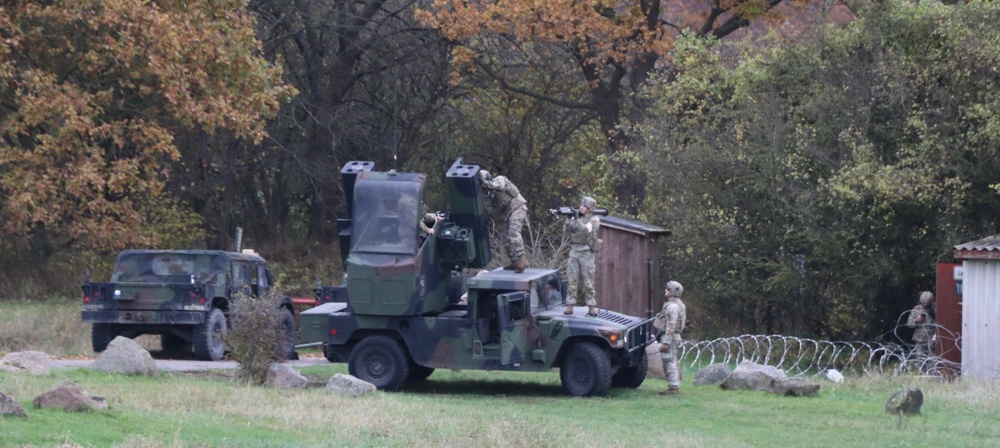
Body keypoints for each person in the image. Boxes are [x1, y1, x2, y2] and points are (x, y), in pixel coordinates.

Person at [479, 170, 529, 273]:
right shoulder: (490, 194)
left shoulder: (500, 179)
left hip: (518, 207)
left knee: (513, 233)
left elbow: (500, 186)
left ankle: (522, 259)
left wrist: (485, 183)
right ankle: (515, 261)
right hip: (510, 213)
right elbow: (491, 211)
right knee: (505, 238)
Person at [562, 196, 601, 316]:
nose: (581, 207)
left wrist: (577, 219)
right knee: (571, 279)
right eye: (581, 205)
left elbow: (585, 230)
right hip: (574, 250)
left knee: (588, 281)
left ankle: (591, 306)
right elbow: (566, 232)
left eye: (584, 206)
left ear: (589, 208)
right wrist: (568, 222)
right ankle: (570, 305)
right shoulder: (576, 217)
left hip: (586, 252)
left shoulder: (594, 219)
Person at [653, 280, 686, 395]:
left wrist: (666, 342)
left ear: (672, 292)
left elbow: (671, 325)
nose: (665, 290)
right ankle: (673, 386)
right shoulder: (676, 304)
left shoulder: (672, 307)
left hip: (670, 337)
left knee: (669, 361)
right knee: (668, 360)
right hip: (672, 336)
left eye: (668, 289)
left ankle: (673, 387)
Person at [906, 291, 936, 356]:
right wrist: (916, 320)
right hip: (920, 340)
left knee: (931, 361)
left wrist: (934, 338)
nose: (925, 305)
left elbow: (939, 325)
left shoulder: (935, 308)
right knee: (920, 360)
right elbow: (909, 324)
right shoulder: (916, 309)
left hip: (931, 339)